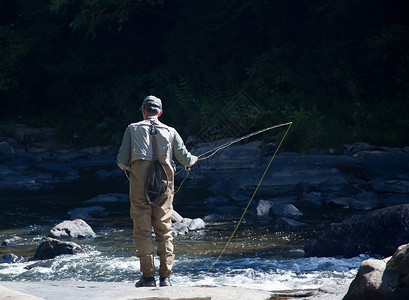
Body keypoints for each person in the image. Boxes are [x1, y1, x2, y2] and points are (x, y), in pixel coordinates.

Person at [117, 95, 197, 287]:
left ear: (144, 110)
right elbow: (185, 159)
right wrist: (193, 160)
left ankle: (148, 278)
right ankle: (166, 278)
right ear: (160, 112)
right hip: (164, 189)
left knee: (143, 231)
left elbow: (121, 160)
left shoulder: (132, 128)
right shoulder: (171, 131)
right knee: (164, 230)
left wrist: (127, 166)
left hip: (139, 189)